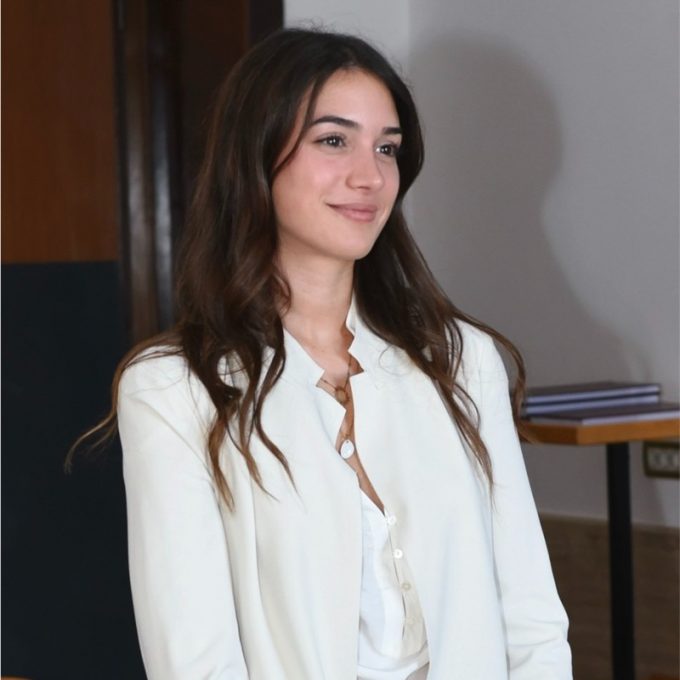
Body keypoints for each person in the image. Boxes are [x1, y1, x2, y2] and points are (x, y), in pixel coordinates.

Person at [106, 28, 571, 680]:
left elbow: (531, 619)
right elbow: (195, 660)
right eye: (333, 140)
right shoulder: (172, 389)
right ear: (255, 153)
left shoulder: (461, 359)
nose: (370, 176)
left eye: (387, 148)